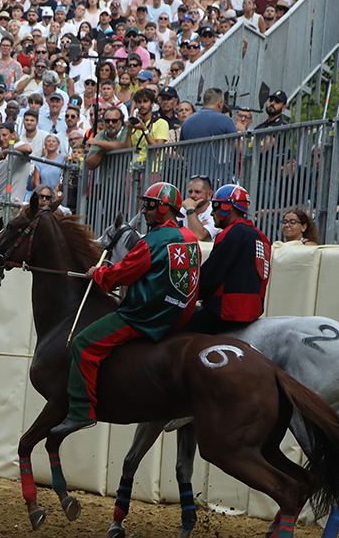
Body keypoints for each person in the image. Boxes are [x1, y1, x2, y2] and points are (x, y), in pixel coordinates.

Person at [53, 182, 200, 437]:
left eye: (149, 206)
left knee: (82, 343)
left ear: (164, 208)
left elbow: (121, 275)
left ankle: (80, 411)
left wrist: (97, 273)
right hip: (180, 316)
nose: (143, 211)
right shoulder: (190, 237)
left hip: (145, 317)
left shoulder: (151, 242)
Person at [183, 184, 271, 335]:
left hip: (227, 312)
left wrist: (187, 294)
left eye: (215, 207)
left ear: (227, 207)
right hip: (254, 311)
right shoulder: (262, 237)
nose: (211, 214)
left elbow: (210, 276)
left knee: (177, 335)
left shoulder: (231, 233)